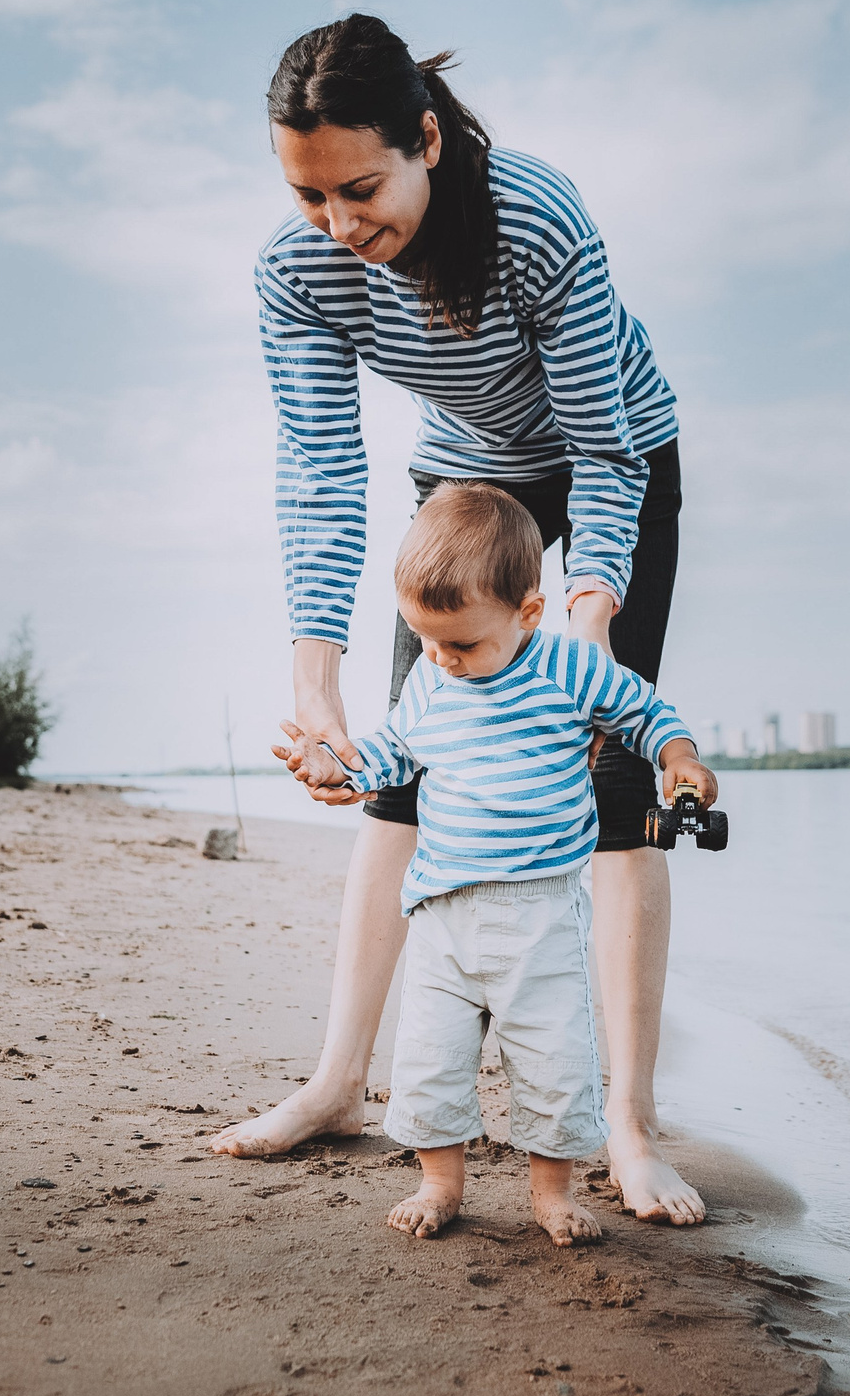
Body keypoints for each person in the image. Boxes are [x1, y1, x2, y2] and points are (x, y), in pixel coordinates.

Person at [210, 12, 708, 1227]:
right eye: (308, 195)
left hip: (608, 469)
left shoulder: (535, 220)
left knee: (610, 790)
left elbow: (598, 444)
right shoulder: (301, 272)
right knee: (406, 782)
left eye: (363, 188)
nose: (340, 226)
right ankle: (339, 1082)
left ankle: (627, 1129)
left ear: (426, 139)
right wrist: (315, 686)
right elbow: (320, 471)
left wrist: (588, 614)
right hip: (461, 488)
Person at [280, 483, 715, 1245]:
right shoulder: (430, 678)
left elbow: (645, 711)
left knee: (553, 1061)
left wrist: (678, 756)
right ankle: (440, 1181)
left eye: (463, 644)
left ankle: (552, 1192)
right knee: (431, 1058)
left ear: (530, 613)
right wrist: (339, 772)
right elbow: (391, 751)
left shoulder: (569, 670)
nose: (444, 660)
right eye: (429, 641)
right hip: (442, 913)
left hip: (540, 911)